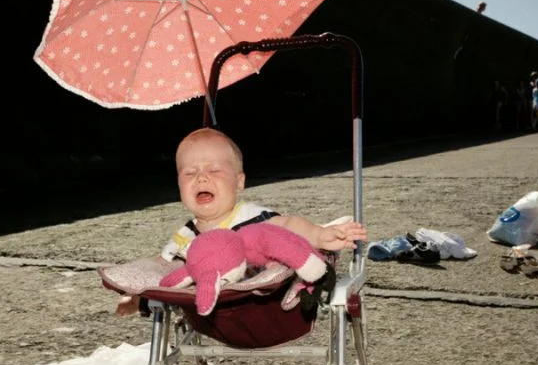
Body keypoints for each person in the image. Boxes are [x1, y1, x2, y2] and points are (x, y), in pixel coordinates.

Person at [117, 128, 367, 315]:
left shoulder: (250, 217)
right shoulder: (186, 235)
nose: (201, 178)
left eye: (214, 171)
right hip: (212, 310)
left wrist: (319, 235)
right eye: (189, 173)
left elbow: (288, 226)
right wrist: (139, 297)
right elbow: (164, 269)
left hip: (265, 304)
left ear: (239, 182)